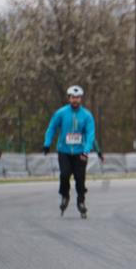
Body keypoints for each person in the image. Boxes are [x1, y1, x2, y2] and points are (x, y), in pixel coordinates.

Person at [43, 85, 96, 218]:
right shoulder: (61, 113)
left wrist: (86, 150)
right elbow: (52, 128)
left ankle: (81, 201)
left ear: (81, 99)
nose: (75, 100)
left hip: (80, 152)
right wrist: (47, 144)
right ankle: (65, 195)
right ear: (69, 98)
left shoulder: (87, 115)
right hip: (64, 151)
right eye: (73, 98)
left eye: (77, 98)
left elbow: (90, 134)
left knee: (80, 177)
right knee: (64, 174)